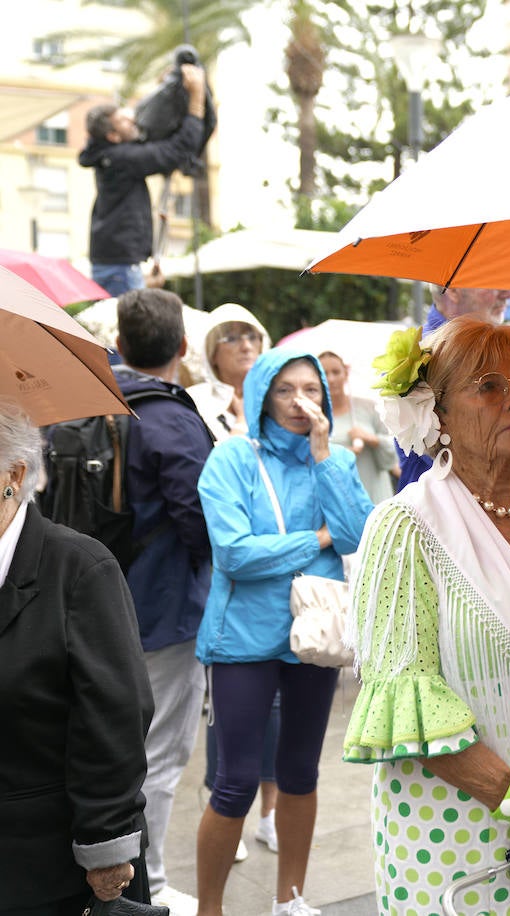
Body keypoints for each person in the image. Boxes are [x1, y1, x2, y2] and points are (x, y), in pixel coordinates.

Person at [344, 317, 510, 915]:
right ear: (436, 413)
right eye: (488, 386)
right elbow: (404, 706)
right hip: (455, 844)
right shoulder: (407, 527)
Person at [194, 349, 373, 916]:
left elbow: (355, 536)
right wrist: (312, 541)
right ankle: (210, 908)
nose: (302, 402)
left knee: (300, 772)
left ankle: (290, 899)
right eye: (286, 391)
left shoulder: (336, 461)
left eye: (312, 390)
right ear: (263, 397)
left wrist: (323, 458)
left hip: (315, 637)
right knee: (236, 781)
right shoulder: (231, 459)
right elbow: (234, 554)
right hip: (243, 639)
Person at [0, 400, 157, 915]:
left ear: (13, 475)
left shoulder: (79, 568)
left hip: (47, 864)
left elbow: (115, 716)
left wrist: (106, 847)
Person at [112, 289, 215, 916]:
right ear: (182, 347)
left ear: (121, 345)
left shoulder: (88, 404)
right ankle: (142, 879)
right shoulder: (171, 417)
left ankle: (104, 867)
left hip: (92, 601)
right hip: (164, 609)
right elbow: (200, 521)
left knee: (103, 745)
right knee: (159, 753)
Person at [186, 301, 280, 858]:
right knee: (230, 709)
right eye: (232, 336)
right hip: (230, 576)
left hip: (282, 582)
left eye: (252, 334)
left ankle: (270, 813)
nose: (244, 344)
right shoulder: (199, 406)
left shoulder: (284, 404)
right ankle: (227, 809)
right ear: (211, 352)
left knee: (282, 711)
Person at [396, 287, 510, 486]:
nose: (509, 293)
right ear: (453, 290)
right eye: (488, 387)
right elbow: (447, 455)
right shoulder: (416, 361)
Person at [79, 64, 206, 296]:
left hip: (117, 264)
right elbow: (176, 151)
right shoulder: (121, 158)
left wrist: (164, 91)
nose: (132, 120)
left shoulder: (107, 155)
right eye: (124, 121)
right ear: (113, 136)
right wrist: (196, 99)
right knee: (132, 327)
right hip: (120, 266)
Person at [319, 350, 398, 505]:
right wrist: (340, 454)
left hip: (375, 493)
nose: (331, 379)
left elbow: (394, 447)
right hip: (341, 499)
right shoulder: (316, 416)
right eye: (324, 373)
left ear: (345, 373)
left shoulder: (368, 407)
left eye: (336, 372)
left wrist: (372, 439)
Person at [188, 303, 274, 444]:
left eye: (252, 337)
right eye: (232, 339)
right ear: (212, 354)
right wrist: (241, 422)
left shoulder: (278, 396)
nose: (246, 347)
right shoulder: (196, 402)